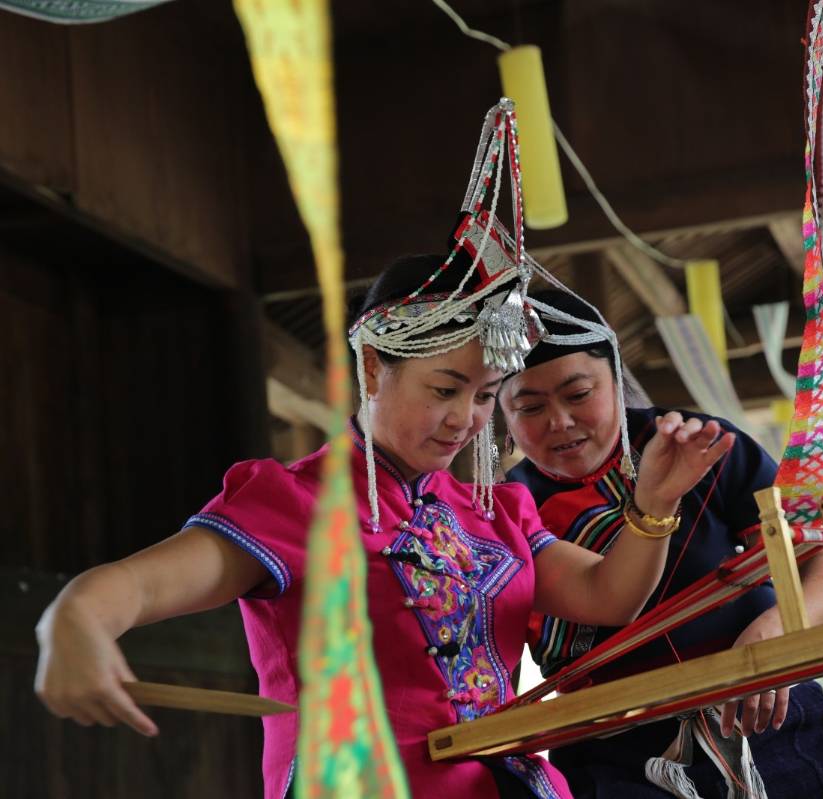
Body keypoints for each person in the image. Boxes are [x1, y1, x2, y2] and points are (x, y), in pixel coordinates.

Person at [33, 249, 737, 799]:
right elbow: (133, 587)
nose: (466, 419)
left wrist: (653, 506)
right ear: (373, 369)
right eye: (443, 388)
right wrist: (73, 621)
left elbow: (607, 597)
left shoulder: (492, 510)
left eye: (485, 396)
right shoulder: (293, 503)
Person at [499, 289, 823, 799]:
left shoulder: (699, 446)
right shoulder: (503, 512)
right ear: (497, 415)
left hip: (769, 718)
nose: (560, 422)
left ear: (614, 380)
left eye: (578, 395)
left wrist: (776, 631)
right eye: (529, 406)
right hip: (617, 756)